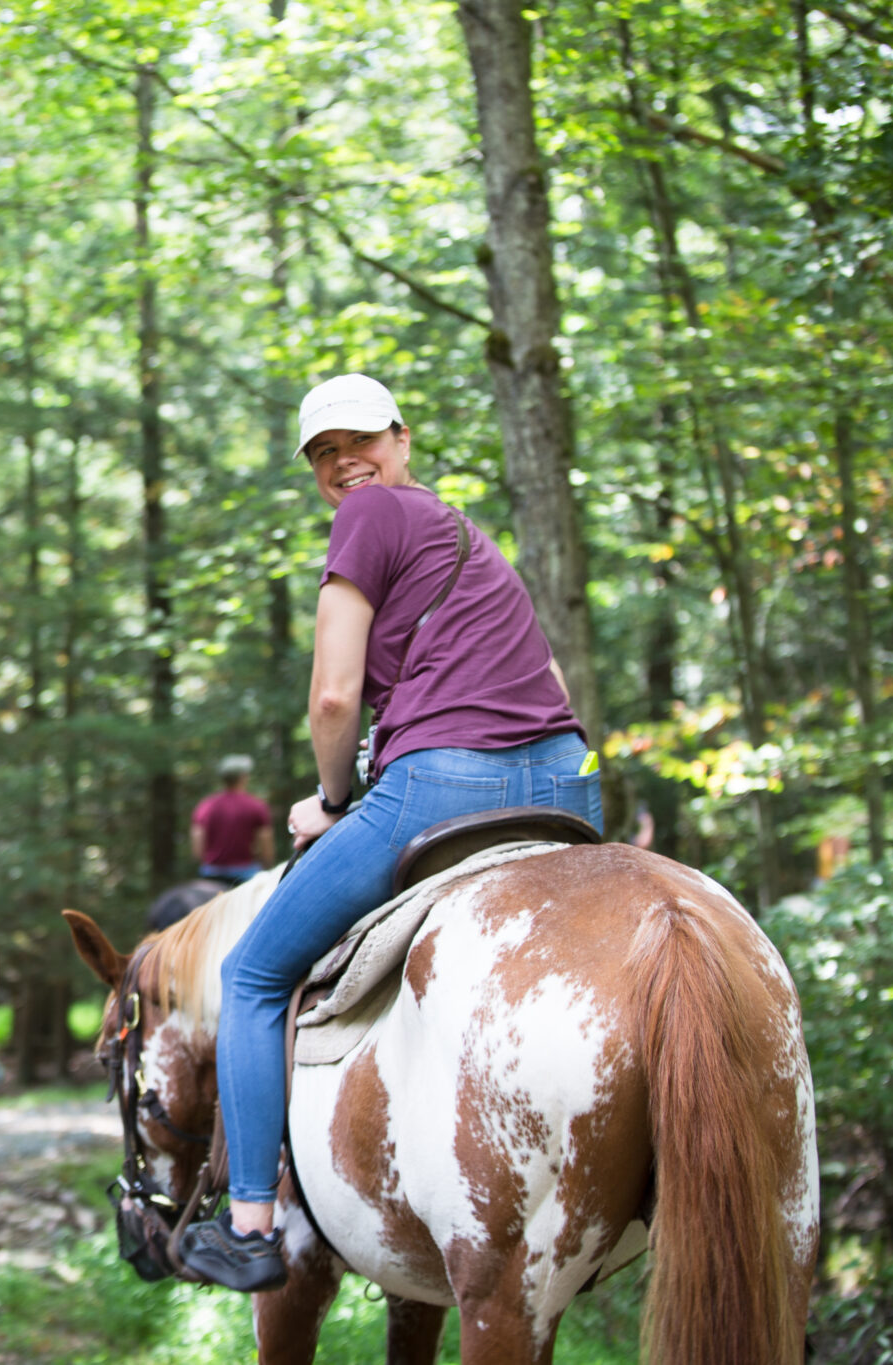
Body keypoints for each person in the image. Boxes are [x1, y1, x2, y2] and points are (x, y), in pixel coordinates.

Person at [176, 373, 601, 1292]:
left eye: (359, 440)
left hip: (442, 788)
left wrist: (332, 803)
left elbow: (333, 696)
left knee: (251, 974)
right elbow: (554, 686)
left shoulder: (367, 519)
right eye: (324, 453)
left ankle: (249, 1222)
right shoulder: (471, 539)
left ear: (403, 439)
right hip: (571, 783)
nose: (342, 463)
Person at [191, 754, 275, 882]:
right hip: (245, 875)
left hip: (211, 874)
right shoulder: (256, 806)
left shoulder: (205, 806)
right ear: (243, 777)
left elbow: (197, 849)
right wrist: (267, 865)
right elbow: (266, 849)